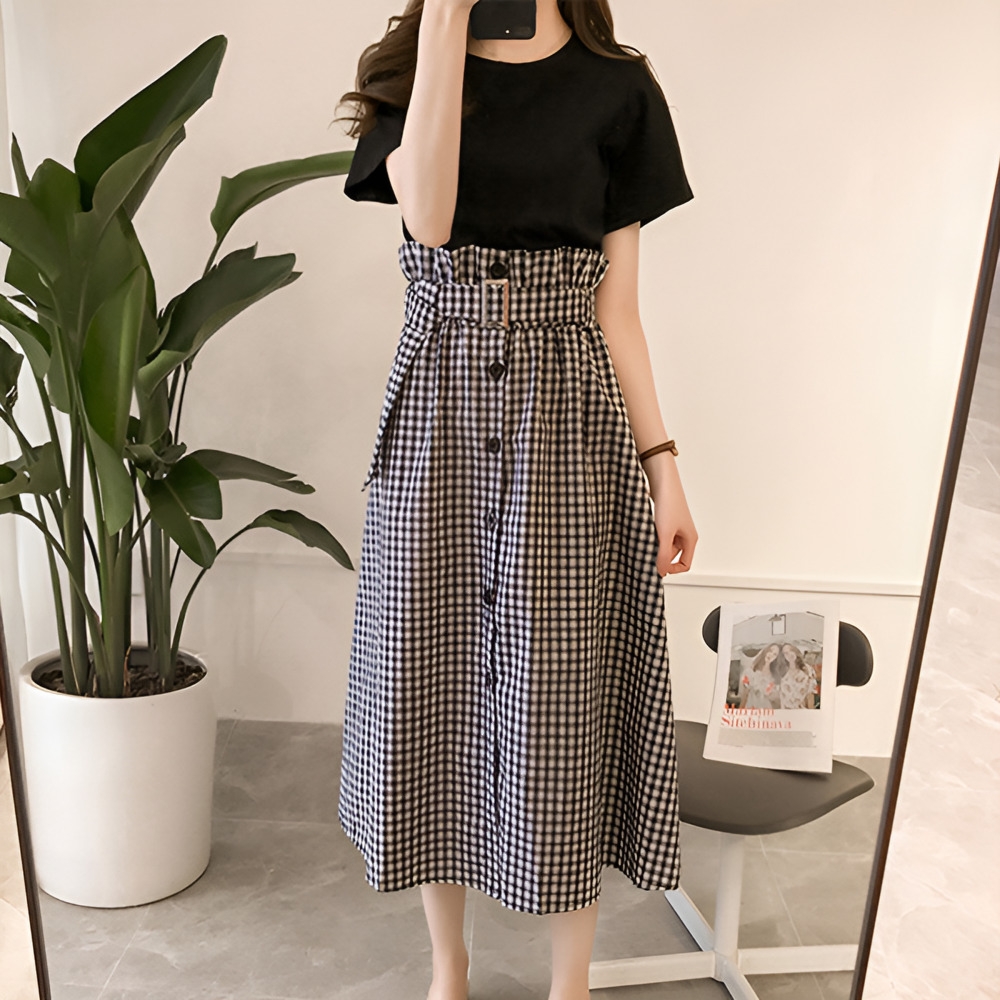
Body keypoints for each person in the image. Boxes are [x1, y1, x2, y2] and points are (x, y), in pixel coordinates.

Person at [335, 3, 697, 998]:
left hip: (567, 419)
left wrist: (663, 462)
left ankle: (569, 981)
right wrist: (446, 22)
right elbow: (429, 219)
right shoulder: (411, 71)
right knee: (428, 687)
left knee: (564, 697)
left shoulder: (618, 88)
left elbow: (618, 310)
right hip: (438, 410)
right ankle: (447, 966)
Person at [738, 643, 782, 709]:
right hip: (750, 708)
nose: (771, 655)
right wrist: (740, 710)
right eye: (770, 651)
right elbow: (745, 694)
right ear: (766, 651)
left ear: (776, 658)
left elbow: (777, 702)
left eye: (775, 654)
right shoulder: (750, 671)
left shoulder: (773, 677)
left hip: (766, 710)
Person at [778, 642, 819, 710]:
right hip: (786, 711)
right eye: (786, 653)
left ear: (795, 651)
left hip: (802, 710)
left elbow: (810, 695)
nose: (789, 654)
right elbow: (781, 698)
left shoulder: (807, 669)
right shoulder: (783, 673)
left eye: (791, 650)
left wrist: (811, 712)